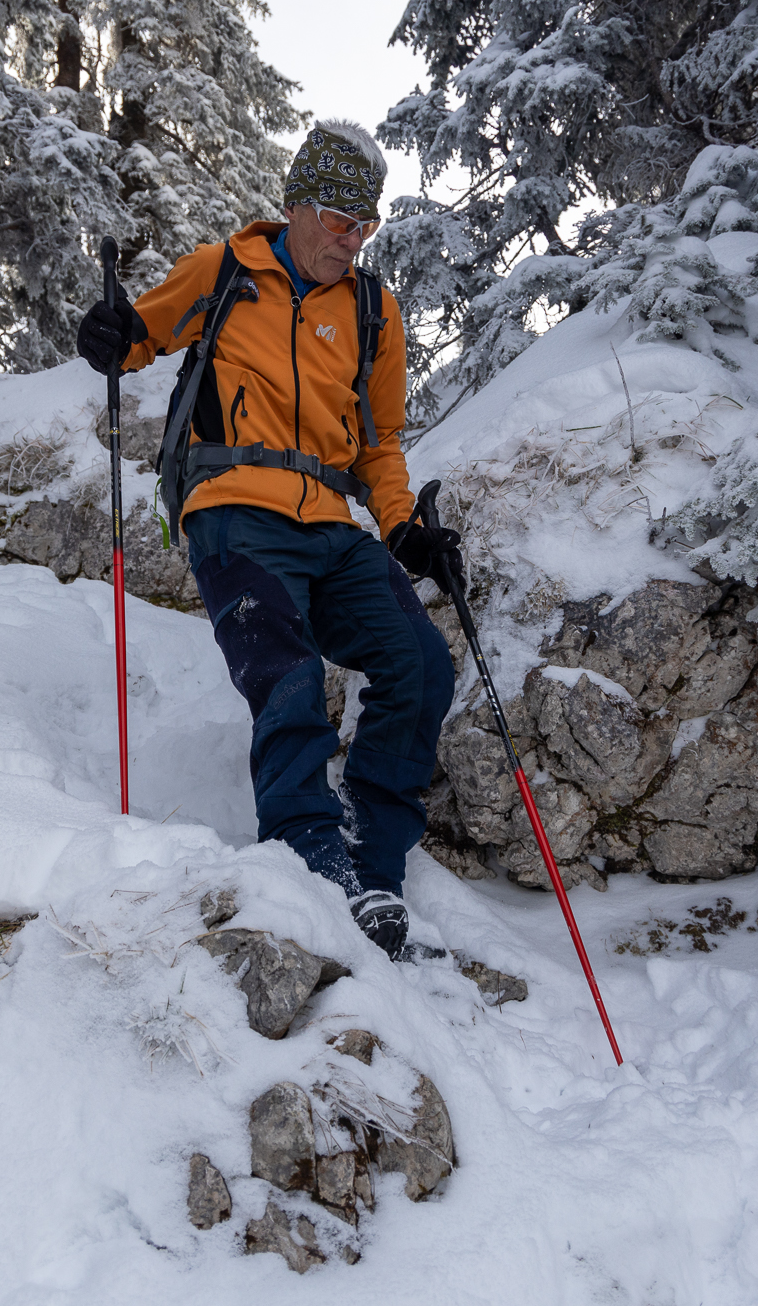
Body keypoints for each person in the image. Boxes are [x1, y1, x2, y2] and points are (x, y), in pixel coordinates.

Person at [76, 120, 462, 959]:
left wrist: (404, 530)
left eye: (364, 223)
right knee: (285, 670)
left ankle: (374, 862)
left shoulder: (371, 311)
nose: (350, 238)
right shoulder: (225, 271)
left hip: (330, 523)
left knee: (422, 664)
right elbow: (140, 334)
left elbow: (380, 444)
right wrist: (109, 331)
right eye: (336, 217)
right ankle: (310, 854)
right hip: (234, 509)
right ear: (295, 204)